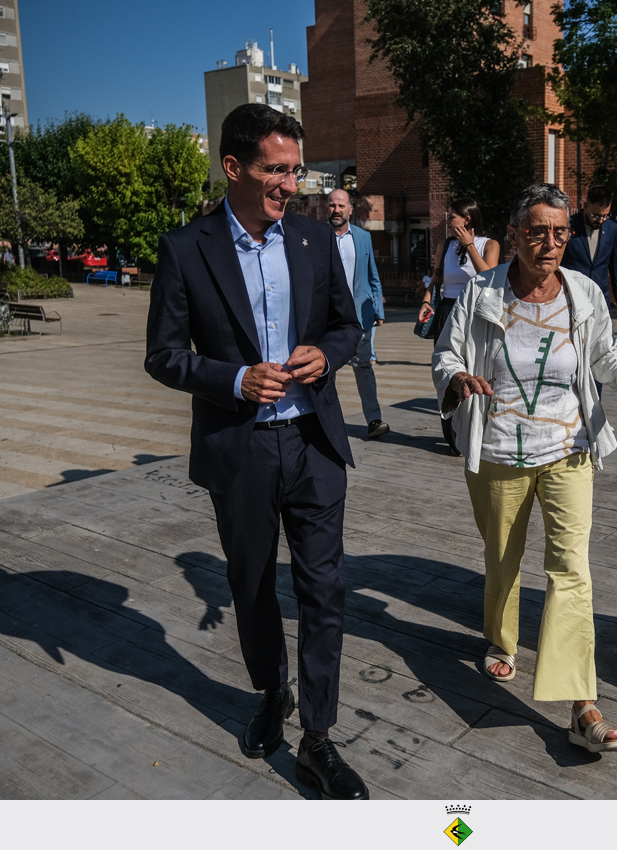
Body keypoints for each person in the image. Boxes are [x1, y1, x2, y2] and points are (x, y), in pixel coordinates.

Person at [145, 103, 369, 800]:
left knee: (324, 588)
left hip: (313, 441)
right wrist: (235, 379)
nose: (291, 184)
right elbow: (162, 355)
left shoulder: (313, 236)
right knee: (251, 586)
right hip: (238, 451)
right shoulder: (186, 248)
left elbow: (348, 326)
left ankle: (319, 738)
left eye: (295, 171)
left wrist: (326, 355)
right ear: (233, 167)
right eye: (276, 170)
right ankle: (273, 691)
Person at [433, 183, 617, 753]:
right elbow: (446, 353)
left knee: (571, 569)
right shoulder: (482, 292)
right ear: (514, 235)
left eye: (560, 233)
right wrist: (458, 379)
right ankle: (503, 639)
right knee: (502, 556)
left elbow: (605, 350)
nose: (550, 243)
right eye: (537, 232)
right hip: (498, 449)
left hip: (570, 448)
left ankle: (582, 704)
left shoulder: (583, 291)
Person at [418, 199, 501, 455]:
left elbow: (490, 278)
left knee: (476, 370)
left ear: (467, 219)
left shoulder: (489, 244)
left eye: (452, 216)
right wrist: (426, 300)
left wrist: (469, 246)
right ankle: (453, 438)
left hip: (476, 313)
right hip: (447, 311)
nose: (448, 219)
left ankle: (477, 431)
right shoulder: (444, 245)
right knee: (447, 371)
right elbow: (437, 278)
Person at [326, 187, 390, 440]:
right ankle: (325, 421)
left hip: (360, 316)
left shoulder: (363, 237)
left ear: (350, 209)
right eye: (332, 205)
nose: (336, 210)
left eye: (341, 206)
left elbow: (372, 276)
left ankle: (374, 420)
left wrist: (378, 309)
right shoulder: (317, 236)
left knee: (363, 366)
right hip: (327, 319)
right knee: (325, 370)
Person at [560, 184, 617, 324]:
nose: (600, 220)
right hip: (572, 299)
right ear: (585, 205)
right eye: (596, 215)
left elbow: (616, 268)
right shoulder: (568, 226)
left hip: (600, 300)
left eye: (605, 216)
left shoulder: (612, 229)